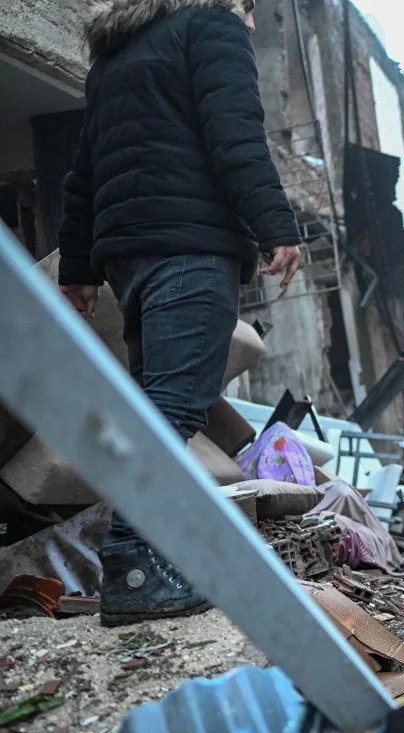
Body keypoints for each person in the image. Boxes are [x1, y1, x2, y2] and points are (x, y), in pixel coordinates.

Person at [57, 0, 302, 627]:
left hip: (130, 258)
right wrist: (276, 225)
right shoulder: (207, 27)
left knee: (156, 402)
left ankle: (154, 560)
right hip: (190, 246)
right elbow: (236, 133)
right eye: (247, 7)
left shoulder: (118, 54)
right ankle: (134, 566)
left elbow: (83, 173)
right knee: (172, 408)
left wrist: (80, 268)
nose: (249, 21)